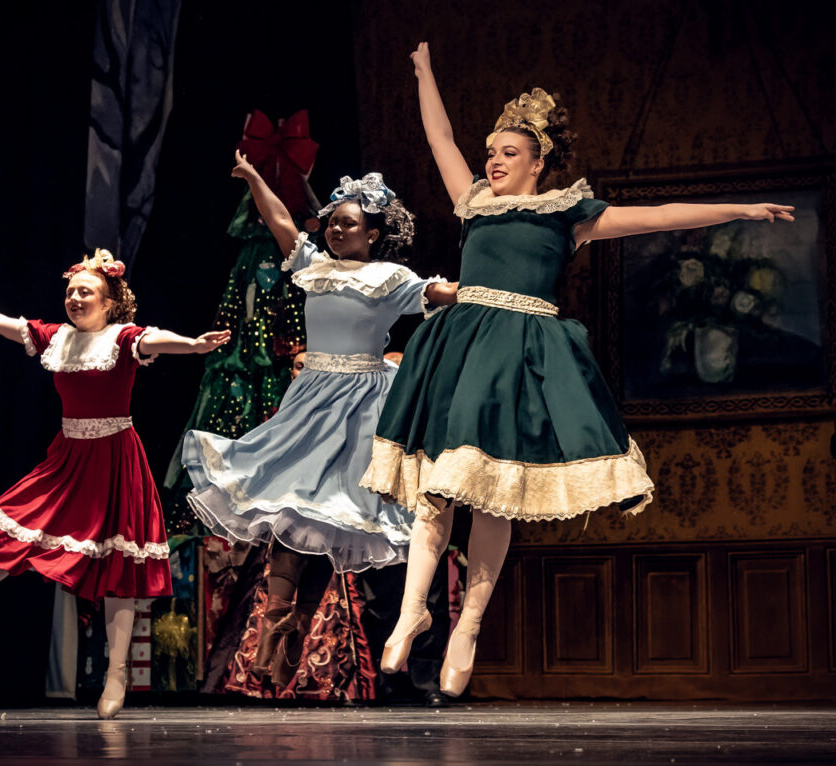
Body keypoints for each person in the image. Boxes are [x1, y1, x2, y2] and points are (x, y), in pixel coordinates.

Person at [360, 42, 795, 698]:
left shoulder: (569, 214)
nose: (493, 161)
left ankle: (469, 624)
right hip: (460, 349)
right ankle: (414, 609)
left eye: (508, 153)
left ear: (539, 161)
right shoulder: (474, 201)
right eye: (491, 152)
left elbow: (658, 218)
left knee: (490, 493)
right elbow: (440, 136)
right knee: (439, 488)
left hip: (518, 356)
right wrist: (423, 72)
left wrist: (738, 209)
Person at [0, 250, 229, 719]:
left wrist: (194, 346)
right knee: (19, 523)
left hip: (116, 457)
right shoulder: (57, 338)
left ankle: (116, 673)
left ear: (110, 302)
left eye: (86, 292)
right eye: (71, 291)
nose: (75, 298)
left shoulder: (124, 338)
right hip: (70, 455)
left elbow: (159, 340)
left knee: (120, 561)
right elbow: (1, 324)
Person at [183, 152, 457, 688]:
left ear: (373, 233)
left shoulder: (390, 277)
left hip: (365, 406)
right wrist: (256, 178)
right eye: (332, 220)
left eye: (348, 223)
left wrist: (493, 290)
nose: (335, 228)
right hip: (312, 401)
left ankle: (329, 639)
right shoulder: (314, 267)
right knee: (293, 509)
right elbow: (283, 223)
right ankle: (274, 632)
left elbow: (440, 294)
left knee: (344, 519)